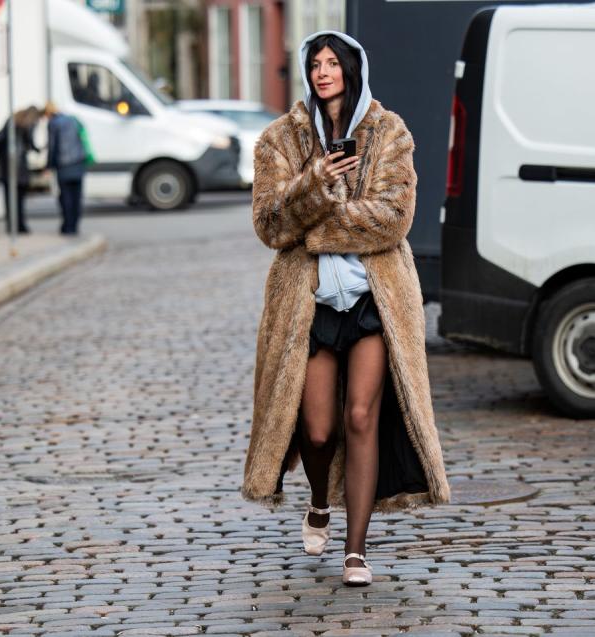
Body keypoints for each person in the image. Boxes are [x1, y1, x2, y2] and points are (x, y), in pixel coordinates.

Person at [242, 31, 450, 586]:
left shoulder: (389, 133)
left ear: (353, 69)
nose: (323, 71)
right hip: (307, 305)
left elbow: (393, 220)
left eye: (333, 62)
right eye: (315, 63)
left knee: (362, 417)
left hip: (373, 300)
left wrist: (313, 230)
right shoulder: (278, 141)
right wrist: (315, 183)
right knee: (316, 430)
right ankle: (317, 500)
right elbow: (269, 225)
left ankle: (355, 551)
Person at [0, 106, 41, 234]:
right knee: (19, 199)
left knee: (10, 198)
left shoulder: (11, 122)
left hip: (7, 166)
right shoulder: (28, 125)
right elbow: (30, 143)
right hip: (20, 167)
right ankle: (20, 225)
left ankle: (11, 225)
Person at [44, 102, 87, 235]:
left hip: (64, 165)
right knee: (77, 197)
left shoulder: (53, 123)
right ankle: (75, 225)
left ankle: (67, 226)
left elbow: (53, 146)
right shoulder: (72, 120)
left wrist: (49, 165)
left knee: (66, 197)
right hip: (79, 162)